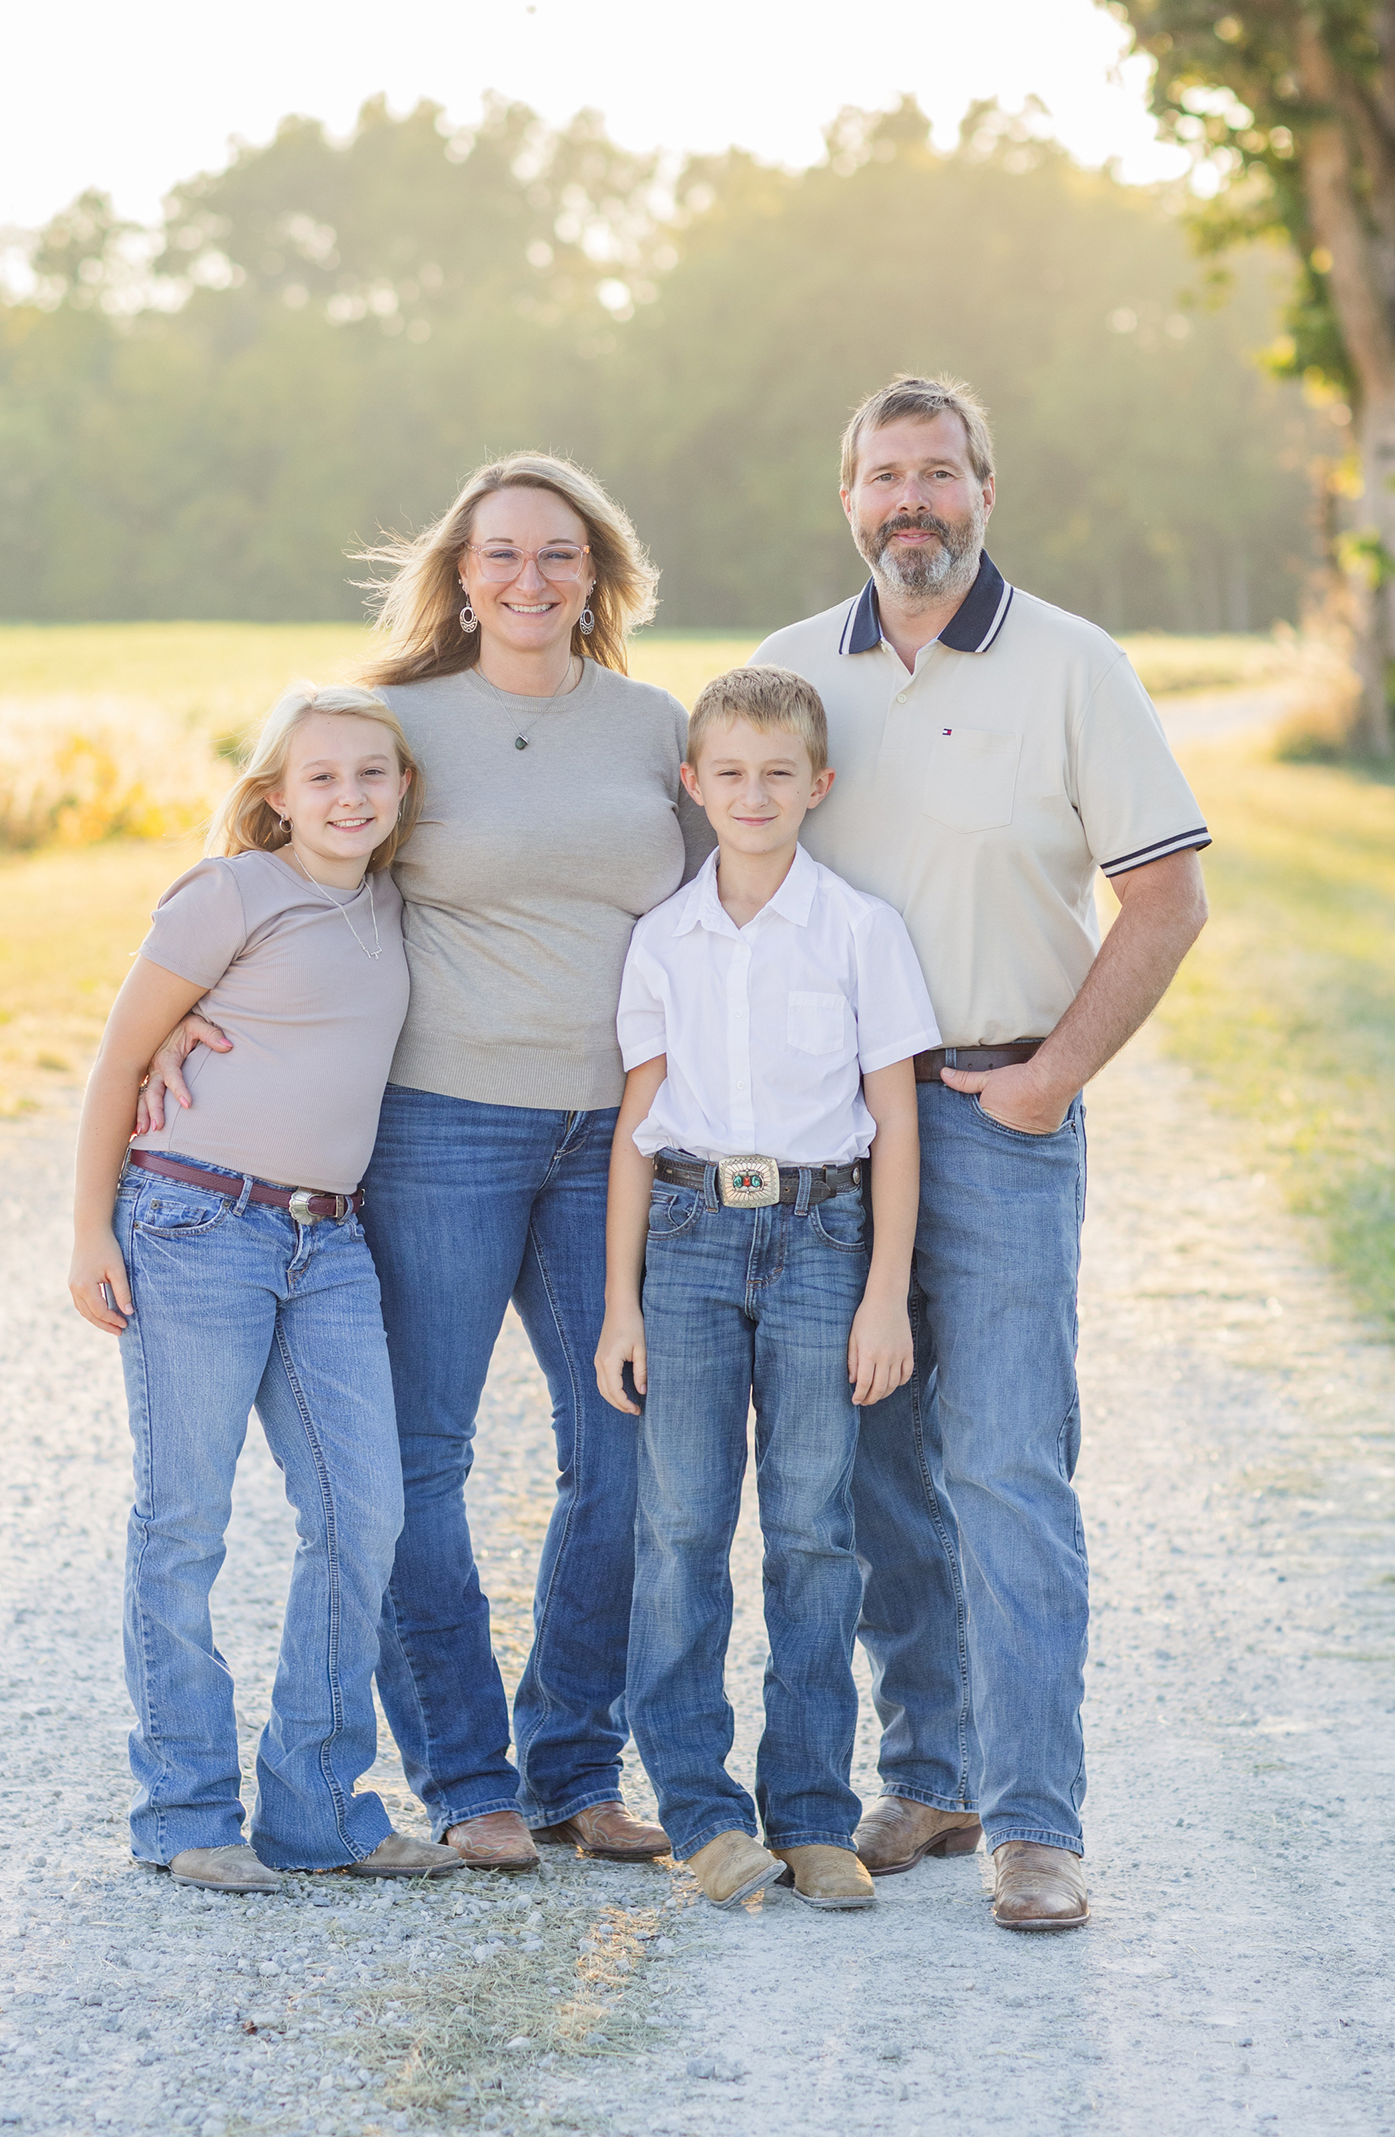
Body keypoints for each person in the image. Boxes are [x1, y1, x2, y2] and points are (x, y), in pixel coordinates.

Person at [141, 454, 710, 1871]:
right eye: (501, 554)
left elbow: (726, 908)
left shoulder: (652, 724)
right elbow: (285, 865)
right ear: (459, 575)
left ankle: (579, 1766)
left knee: (621, 1451)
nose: (531, 578)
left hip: (613, 1141)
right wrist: (190, 1025)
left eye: (561, 555)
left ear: (599, 575)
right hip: (438, 1127)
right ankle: (469, 1778)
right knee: (421, 1461)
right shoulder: (399, 721)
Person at [753, 375, 1210, 1931]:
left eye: (937, 474)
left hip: (999, 1114)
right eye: (884, 476)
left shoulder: (1075, 666)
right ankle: (930, 1773)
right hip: (830, 1140)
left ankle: (1036, 1824)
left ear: (985, 491)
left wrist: (1053, 1077)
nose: (911, 502)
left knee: (1007, 1467)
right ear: (848, 499)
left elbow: (1167, 898)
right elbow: (713, 898)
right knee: (877, 1468)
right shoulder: (787, 673)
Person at [68, 684, 464, 1891]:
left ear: (402, 791)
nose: (349, 796)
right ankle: (185, 1813)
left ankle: (317, 1810)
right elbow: (121, 1059)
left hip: (329, 1246)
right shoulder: (229, 891)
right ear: (276, 796)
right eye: (322, 777)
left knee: (364, 1513)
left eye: (372, 774)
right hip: (195, 1224)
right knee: (184, 1519)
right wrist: (90, 1226)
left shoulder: (397, 903)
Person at [595, 666, 938, 1913]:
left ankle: (810, 1812)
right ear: (693, 785)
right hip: (685, 1238)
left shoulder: (858, 931)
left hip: (821, 1239)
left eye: (776, 774)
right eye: (727, 774)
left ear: (817, 786)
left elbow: (893, 1123)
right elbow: (639, 1122)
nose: (751, 795)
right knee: (681, 1525)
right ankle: (699, 1809)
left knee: (811, 1528)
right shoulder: (662, 940)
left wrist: (884, 1292)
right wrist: (620, 1300)